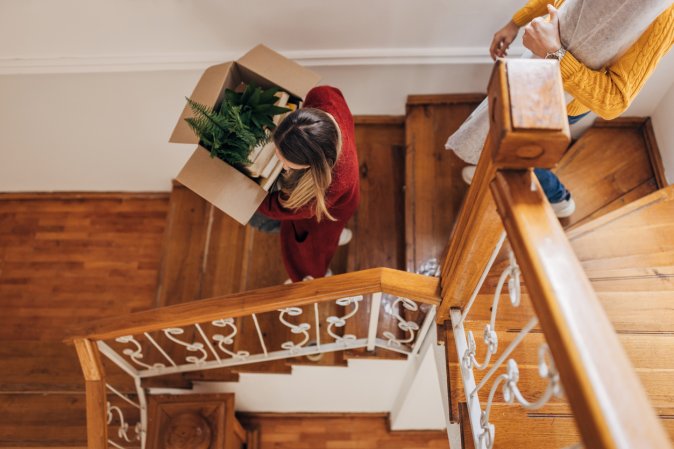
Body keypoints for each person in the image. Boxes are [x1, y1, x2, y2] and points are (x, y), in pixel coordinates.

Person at [461, 0, 674, 218]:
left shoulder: (664, 14)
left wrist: (554, 54)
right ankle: (491, 165)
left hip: (568, 100)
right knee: (509, 130)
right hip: (538, 66)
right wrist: (515, 22)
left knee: (527, 150)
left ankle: (557, 198)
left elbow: (614, 100)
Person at [255, 86, 360, 283]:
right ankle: (338, 235)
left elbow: (279, 208)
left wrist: (247, 194)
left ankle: (318, 275)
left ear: (313, 166)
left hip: (328, 209)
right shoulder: (323, 96)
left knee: (311, 253)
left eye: (286, 163)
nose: (282, 165)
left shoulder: (328, 185)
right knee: (333, 229)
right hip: (347, 200)